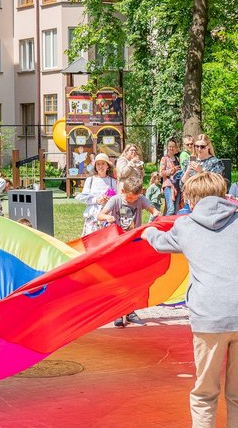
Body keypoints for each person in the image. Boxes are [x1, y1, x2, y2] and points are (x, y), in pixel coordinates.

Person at [141, 171, 238, 428]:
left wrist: (147, 230)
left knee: (205, 395)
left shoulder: (185, 226)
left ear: (190, 199)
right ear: (224, 194)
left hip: (210, 317)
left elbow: (158, 243)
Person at [99, 176, 160, 327]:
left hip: (133, 245)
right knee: (118, 279)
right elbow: (100, 215)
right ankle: (118, 312)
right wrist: (108, 217)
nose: (132, 200)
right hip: (118, 245)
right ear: (123, 191)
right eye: (129, 197)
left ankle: (130, 311)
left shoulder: (141, 199)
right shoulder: (116, 200)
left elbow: (154, 211)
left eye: (135, 197)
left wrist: (156, 214)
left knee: (132, 279)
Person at [75, 152, 117, 235]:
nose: (100, 166)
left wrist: (109, 200)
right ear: (95, 166)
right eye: (98, 164)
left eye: (103, 164)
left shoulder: (113, 181)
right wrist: (96, 200)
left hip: (107, 215)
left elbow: (116, 197)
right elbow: (84, 197)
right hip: (92, 215)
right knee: (91, 240)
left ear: (107, 166)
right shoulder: (90, 180)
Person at [159, 138, 181, 216]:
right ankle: (164, 225)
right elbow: (161, 173)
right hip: (168, 185)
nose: (171, 148)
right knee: (171, 209)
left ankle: (172, 227)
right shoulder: (164, 159)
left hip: (177, 186)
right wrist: (172, 170)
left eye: (173, 146)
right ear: (167, 147)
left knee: (176, 210)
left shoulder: (178, 159)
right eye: (169, 146)